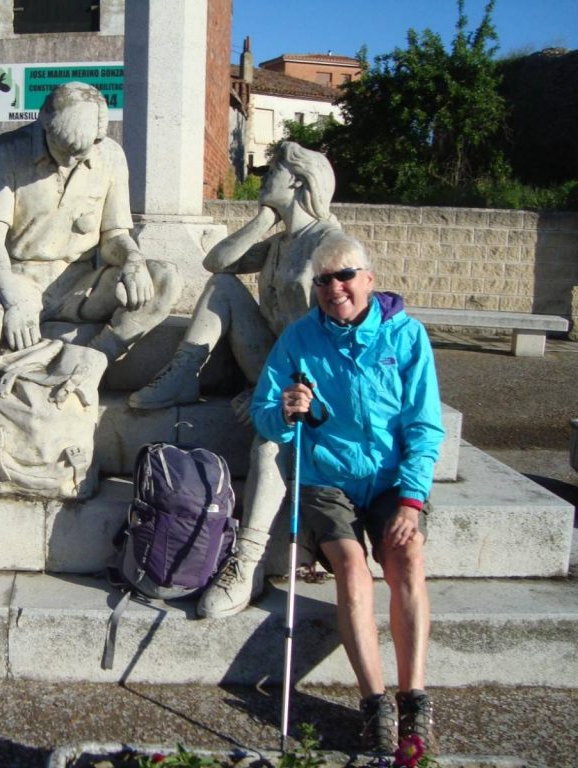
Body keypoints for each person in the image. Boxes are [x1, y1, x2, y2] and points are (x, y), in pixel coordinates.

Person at [128, 141, 343, 619]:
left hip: (309, 383)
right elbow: (217, 262)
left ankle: (245, 564)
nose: (262, 180)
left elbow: (335, 345)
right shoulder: (282, 239)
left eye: (273, 174)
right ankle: (184, 373)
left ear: (300, 183)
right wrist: (264, 220)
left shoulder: (328, 245)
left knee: (270, 444)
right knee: (223, 287)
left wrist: (272, 393)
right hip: (272, 362)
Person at [251, 233, 443, 755]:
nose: (335, 288)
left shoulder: (405, 337)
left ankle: (415, 697)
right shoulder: (299, 339)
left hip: (388, 480)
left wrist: (411, 498)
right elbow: (266, 416)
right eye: (323, 280)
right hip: (325, 479)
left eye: (345, 276)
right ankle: (375, 703)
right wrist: (286, 410)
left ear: (369, 280)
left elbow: (425, 425)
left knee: (407, 555)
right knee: (353, 569)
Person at [0, 81, 180, 498]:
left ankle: (96, 359)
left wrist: (133, 260)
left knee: (164, 279)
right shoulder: (8, 150)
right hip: (22, 277)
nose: (74, 160)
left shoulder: (109, 155)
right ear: (44, 125)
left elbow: (114, 233)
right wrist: (13, 296)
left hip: (83, 281)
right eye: (64, 151)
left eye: (83, 151)